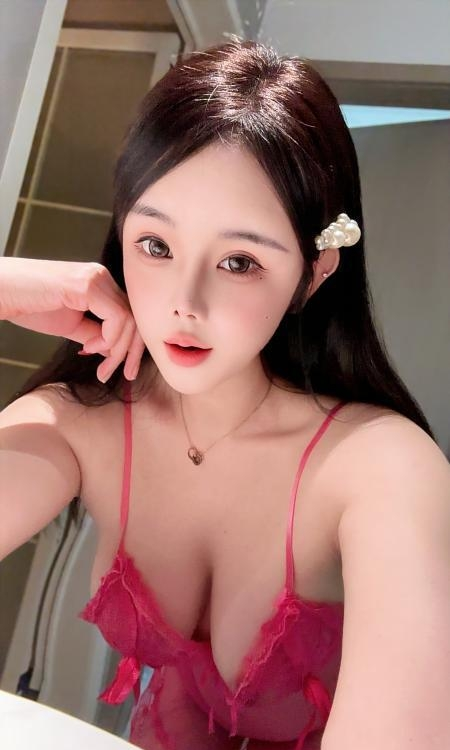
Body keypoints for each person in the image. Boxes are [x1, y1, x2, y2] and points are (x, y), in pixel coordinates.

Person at [0, 37, 449, 750]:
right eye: (155, 245)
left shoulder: (380, 467)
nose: (185, 301)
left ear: (312, 274)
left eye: (239, 261)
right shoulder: (80, 422)